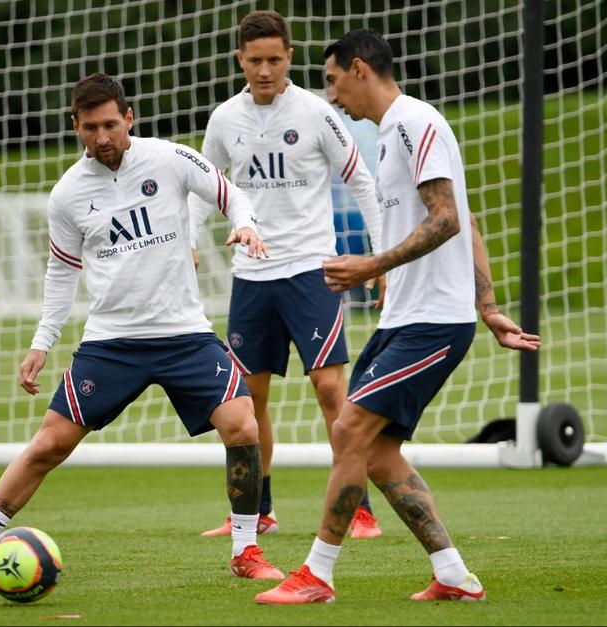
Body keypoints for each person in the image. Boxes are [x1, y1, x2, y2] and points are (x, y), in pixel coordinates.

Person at [0, 73, 285, 583]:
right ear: (76, 126)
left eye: (111, 125)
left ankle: (246, 552)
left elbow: (233, 195)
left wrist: (246, 224)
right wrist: (41, 342)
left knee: (243, 425)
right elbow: (61, 271)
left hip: (184, 334)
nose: (102, 137)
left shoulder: (170, 158)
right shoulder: (67, 194)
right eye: (90, 127)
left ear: (129, 118)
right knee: (50, 444)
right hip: (111, 343)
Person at [255, 29, 542, 605]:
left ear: (359, 69)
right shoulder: (390, 135)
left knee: (348, 430)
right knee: (378, 450)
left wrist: (373, 267)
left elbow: (447, 219)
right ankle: (455, 574)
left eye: (334, 81)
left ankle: (317, 574)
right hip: (406, 320)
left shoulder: (416, 121)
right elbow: (465, 216)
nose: (332, 96)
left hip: (433, 322)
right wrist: (487, 305)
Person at [191, 10, 385, 541]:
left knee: (330, 389)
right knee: (247, 400)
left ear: (290, 58)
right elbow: (202, 185)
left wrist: (381, 255)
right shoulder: (225, 119)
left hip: (311, 270)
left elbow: (362, 182)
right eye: (255, 60)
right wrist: (189, 242)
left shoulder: (319, 114)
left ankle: (360, 509)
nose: (265, 70)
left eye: (275, 59)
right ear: (240, 60)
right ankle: (258, 513)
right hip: (251, 276)